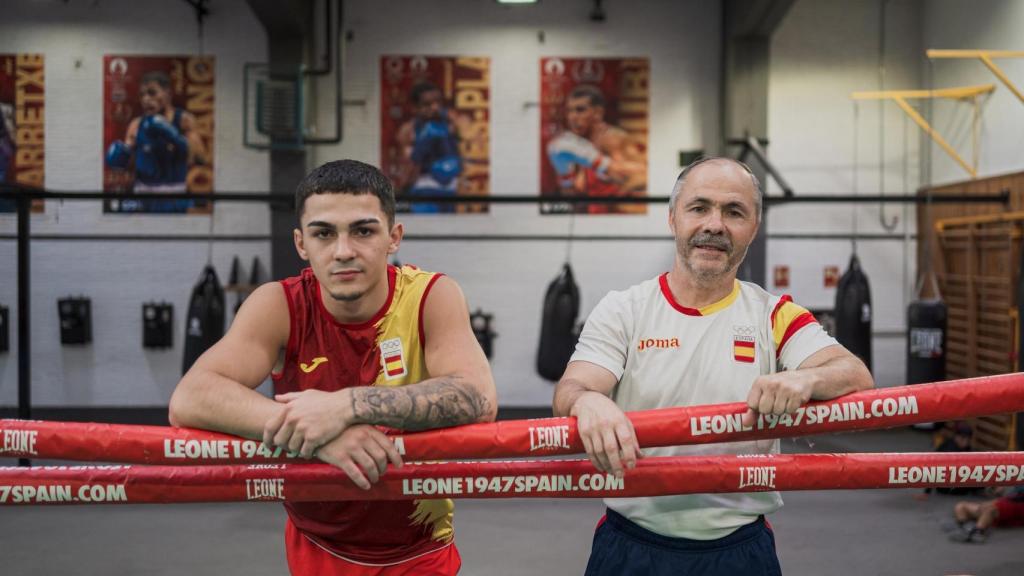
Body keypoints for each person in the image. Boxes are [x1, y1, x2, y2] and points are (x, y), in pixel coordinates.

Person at [168, 159, 497, 575]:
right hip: (316, 544)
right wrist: (316, 432)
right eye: (324, 233)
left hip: (419, 550)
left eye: (363, 231)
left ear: (393, 237)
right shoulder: (280, 306)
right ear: (301, 244)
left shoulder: (431, 297)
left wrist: (346, 406)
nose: (343, 251)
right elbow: (190, 397)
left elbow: (479, 397)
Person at [552, 157, 874, 575]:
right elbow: (572, 388)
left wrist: (806, 377)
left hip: (739, 550)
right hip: (632, 544)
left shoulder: (774, 315)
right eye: (699, 207)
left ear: (753, 229)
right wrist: (587, 402)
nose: (715, 225)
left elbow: (856, 376)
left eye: (734, 211)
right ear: (673, 218)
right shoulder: (623, 310)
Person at [105, 70, 207, 212]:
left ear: (168, 94)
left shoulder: (184, 120)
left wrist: (174, 135)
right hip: (143, 195)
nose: (146, 99)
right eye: (142, 95)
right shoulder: (136, 125)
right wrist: (121, 157)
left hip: (174, 196)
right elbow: (127, 165)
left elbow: (200, 158)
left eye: (152, 93)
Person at [545, 84, 645, 214]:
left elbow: (642, 172)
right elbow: (577, 194)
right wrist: (564, 174)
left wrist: (599, 162)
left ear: (598, 112)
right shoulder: (580, 145)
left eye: (580, 110)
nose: (572, 117)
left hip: (620, 219)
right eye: (569, 111)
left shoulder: (613, 139)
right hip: (596, 216)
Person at [394, 81, 464, 214]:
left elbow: (457, 158)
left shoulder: (450, 125)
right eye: (427, 104)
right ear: (415, 108)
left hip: (449, 190)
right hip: (424, 190)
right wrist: (403, 190)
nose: (435, 107)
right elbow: (408, 165)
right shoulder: (409, 130)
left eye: (438, 102)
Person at [948, 486, 1024, 543]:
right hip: (1006, 501)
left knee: (989, 509)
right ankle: (964, 526)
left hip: (1015, 506)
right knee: (961, 506)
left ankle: (978, 532)